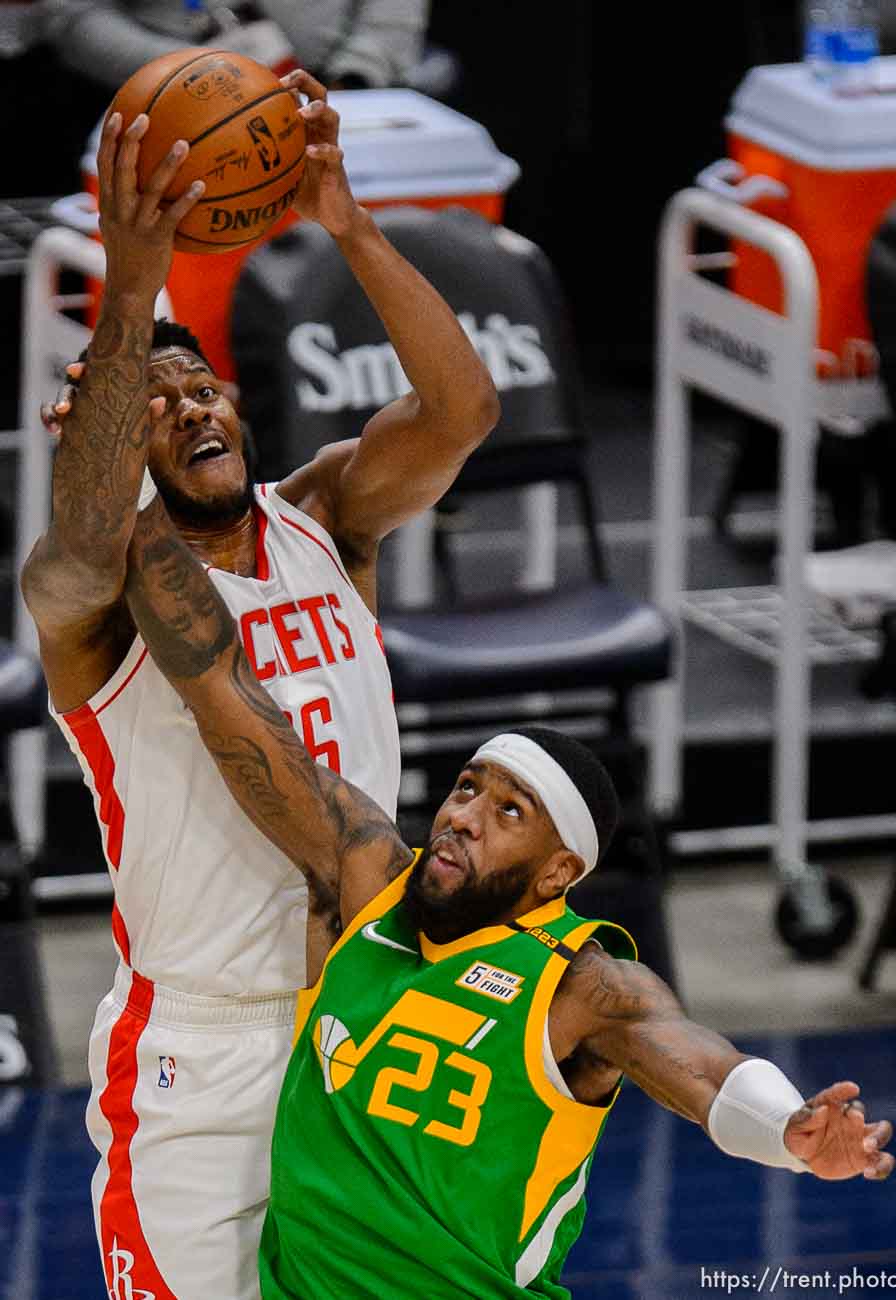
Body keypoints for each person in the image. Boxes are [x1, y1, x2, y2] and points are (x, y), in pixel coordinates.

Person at [120, 485, 895, 1299]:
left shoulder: (582, 986)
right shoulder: (369, 880)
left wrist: (788, 1131)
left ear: (558, 874)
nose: (463, 817)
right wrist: (130, 483)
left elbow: (708, 1073)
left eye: (508, 811)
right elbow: (224, 694)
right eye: (466, 787)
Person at [21, 69, 498, 1300]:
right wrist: (133, 286)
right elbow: (80, 527)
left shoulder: (326, 518)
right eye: (155, 400)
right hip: (204, 1047)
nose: (188, 408)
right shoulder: (102, 599)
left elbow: (462, 406)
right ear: (119, 438)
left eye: (203, 386)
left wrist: (347, 220)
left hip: (367, 1019)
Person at [43, 0, 431, 93]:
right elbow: (70, 11)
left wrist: (358, 76)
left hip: (344, 96)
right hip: (163, 108)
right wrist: (192, 73)